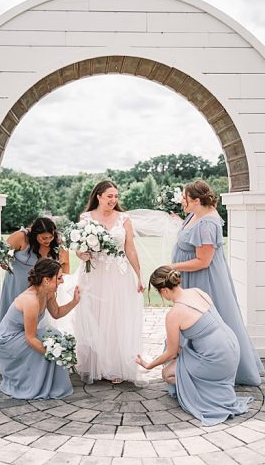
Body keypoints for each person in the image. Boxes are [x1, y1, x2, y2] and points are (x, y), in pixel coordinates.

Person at [170, 180, 264, 386]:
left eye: (185, 199)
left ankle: (223, 368)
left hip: (203, 280)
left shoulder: (207, 224)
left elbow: (203, 261)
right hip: (191, 278)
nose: (181, 201)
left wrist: (173, 267)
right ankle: (190, 363)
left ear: (196, 200)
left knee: (210, 317)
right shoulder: (196, 214)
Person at [136, 266, 252, 426]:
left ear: (163, 291)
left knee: (167, 374)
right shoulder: (197, 291)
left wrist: (149, 365)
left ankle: (205, 392)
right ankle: (206, 380)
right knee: (173, 346)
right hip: (231, 347)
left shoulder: (174, 314)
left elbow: (170, 353)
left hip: (216, 358)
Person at [72, 180, 144, 384]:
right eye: (109, 196)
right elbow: (78, 247)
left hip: (118, 275)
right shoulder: (86, 218)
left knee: (117, 317)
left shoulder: (124, 218)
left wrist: (139, 275)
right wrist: (81, 254)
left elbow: (130, 248)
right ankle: (96, 364)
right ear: (99, 196)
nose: (114, 200)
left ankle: (115, 366)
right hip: (93, 274)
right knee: (94, 315)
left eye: (116, 196)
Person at [0, 258, 80, 399]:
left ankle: (51, 383)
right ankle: (34, 384)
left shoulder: (48, 293)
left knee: (54, 335)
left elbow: (57, 313)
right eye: (59, 278)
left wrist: (74, 302)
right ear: (46, 280)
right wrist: (54, 355)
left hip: (23, 335)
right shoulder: (31, 301)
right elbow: (30, 338)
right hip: (8, 341)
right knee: (50, 343)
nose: (62, 281)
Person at [0, 217, 69, 324]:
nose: (48, 240)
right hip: (16, 284)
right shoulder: (21, 237)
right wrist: (3, 263)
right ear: (35, 234)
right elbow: (0, 254)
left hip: (40, 288)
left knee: (34, 319)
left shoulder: (58, 242)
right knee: (13, 314)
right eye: (43, 238)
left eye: (50, 237)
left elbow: (65, 265)